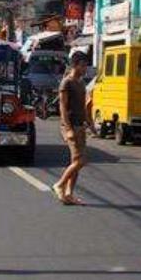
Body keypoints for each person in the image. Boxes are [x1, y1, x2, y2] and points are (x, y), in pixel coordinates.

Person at [52, 50, 90, 205]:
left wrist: (90, 123)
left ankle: (68, 194)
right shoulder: (66, 82)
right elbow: (62, 106)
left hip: (80, 125)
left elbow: (84, 105)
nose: (85, 68)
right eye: (83, 65)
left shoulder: (81, 83)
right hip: (71, 125)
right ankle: (59, 184)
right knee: (81, 161)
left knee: (76, 161)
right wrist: (68, 129)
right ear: (75, 65)